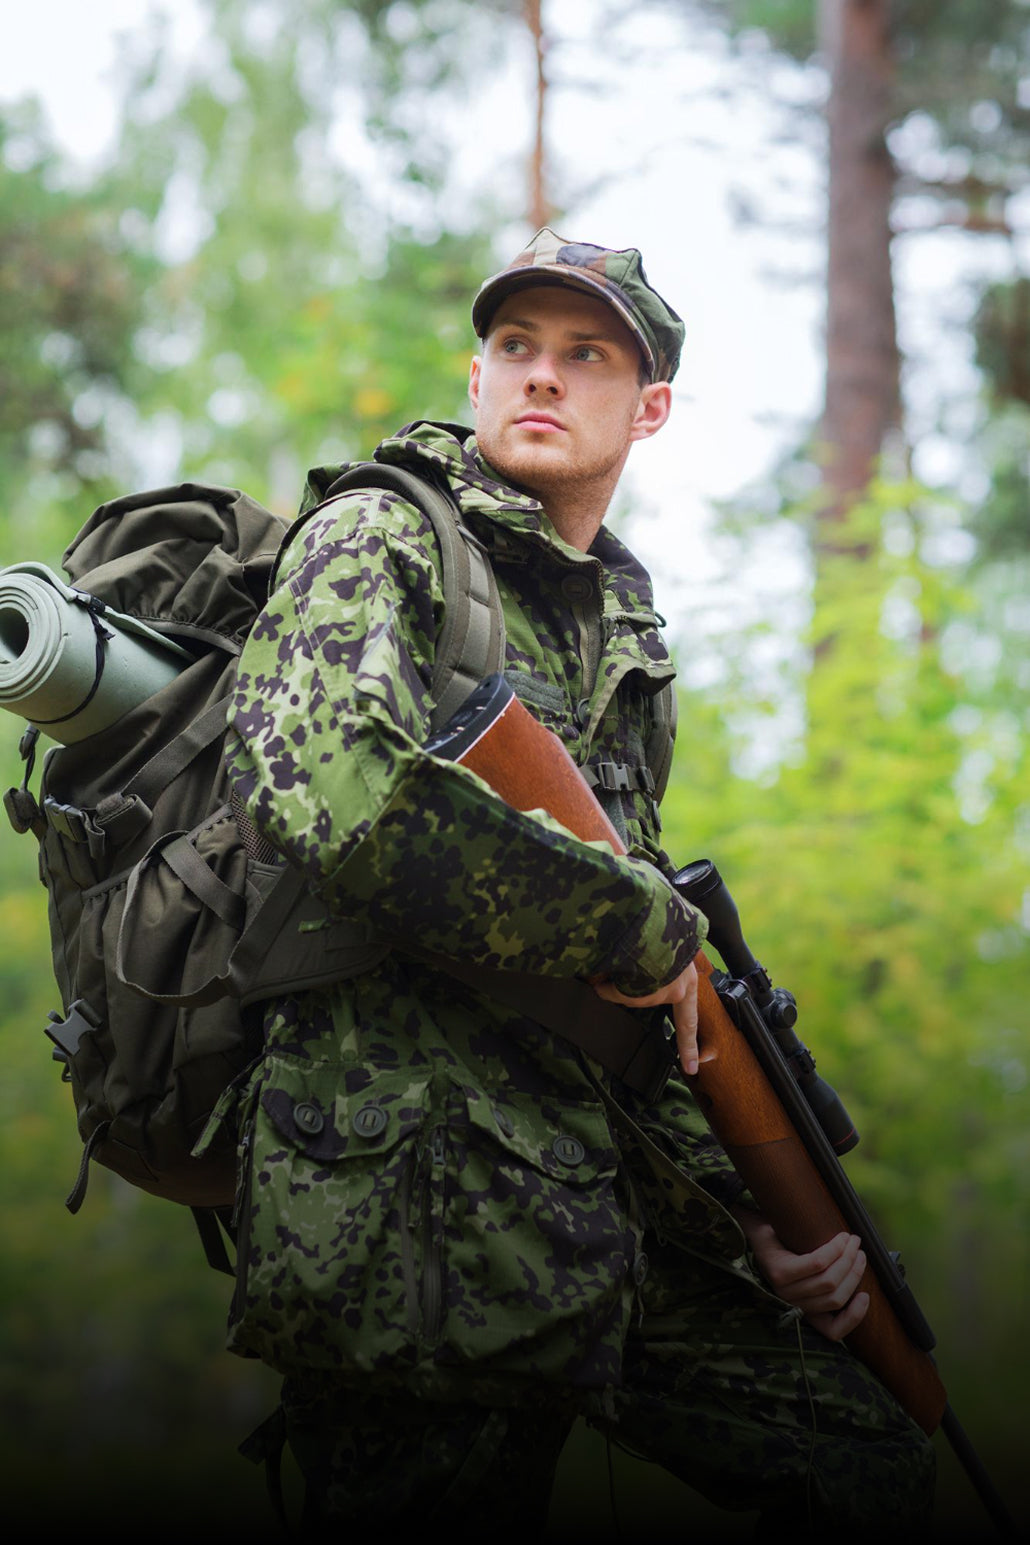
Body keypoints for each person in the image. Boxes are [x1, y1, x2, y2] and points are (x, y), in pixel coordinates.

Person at [223, 229, 935, 1538]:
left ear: (646, 407)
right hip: (410, 1234)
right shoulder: (383, 533)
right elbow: (322, 780)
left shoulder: (617, 627)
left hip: (592, 1222)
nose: (540, 376)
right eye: (516, 347)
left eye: (585, 354)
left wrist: (747, 1224)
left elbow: (630, 1009)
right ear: (478, 372)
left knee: (868, 1463)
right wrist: (624, 910)